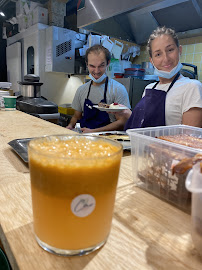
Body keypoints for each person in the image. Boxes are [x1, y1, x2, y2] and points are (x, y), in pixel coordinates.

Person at [123, 26, 202, 130]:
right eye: (158, 54)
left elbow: (187, 140)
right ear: (151, 60)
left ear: (179, 50)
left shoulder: (192, 87)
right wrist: (128, 114)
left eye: (170, 50)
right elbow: (144, 127)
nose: (166, 58)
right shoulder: (149, 88)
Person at [66, 45, 131, 133]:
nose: (96, 71)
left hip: (108, 139)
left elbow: (122, 122)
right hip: (85, 138)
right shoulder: (81, 90)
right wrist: (70, 126)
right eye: (92, 66)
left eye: (101, 66)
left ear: (108, 63)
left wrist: (94, 131)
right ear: (87, 64)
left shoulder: (118, 89)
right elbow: (76, 117)